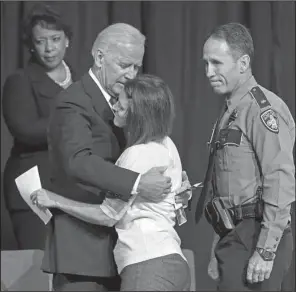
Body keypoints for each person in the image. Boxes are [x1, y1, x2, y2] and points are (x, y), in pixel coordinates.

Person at [40, 23, 191, 291]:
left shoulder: (132, 108)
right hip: (82, 253)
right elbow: (78, 160)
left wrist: (174, 190)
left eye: (136, 67)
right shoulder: (73, 101)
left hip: (124, 253)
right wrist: (137, 183)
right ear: (100, 57)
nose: (131, 74)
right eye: (124, 65)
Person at [197, 22, 295, 291]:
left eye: (217, 63)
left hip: (256, 234)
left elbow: (280, 179)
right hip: (235, 234)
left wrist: (265, 251)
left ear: (243, 63)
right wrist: (219, 246)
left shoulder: (262, 109)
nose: (209, 72)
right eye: (206, 63)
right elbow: (228, 190)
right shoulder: (232, 110)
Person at [2, 3, 76, 250]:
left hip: (77, 192)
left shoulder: (83, 80)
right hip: (34, 189)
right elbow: (25, 129)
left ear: (67, 40)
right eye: (41, 41)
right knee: (39, 270)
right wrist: (77, 122)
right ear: (31, 45)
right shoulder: (19, 81)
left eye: (55, 39)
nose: (49, 48)